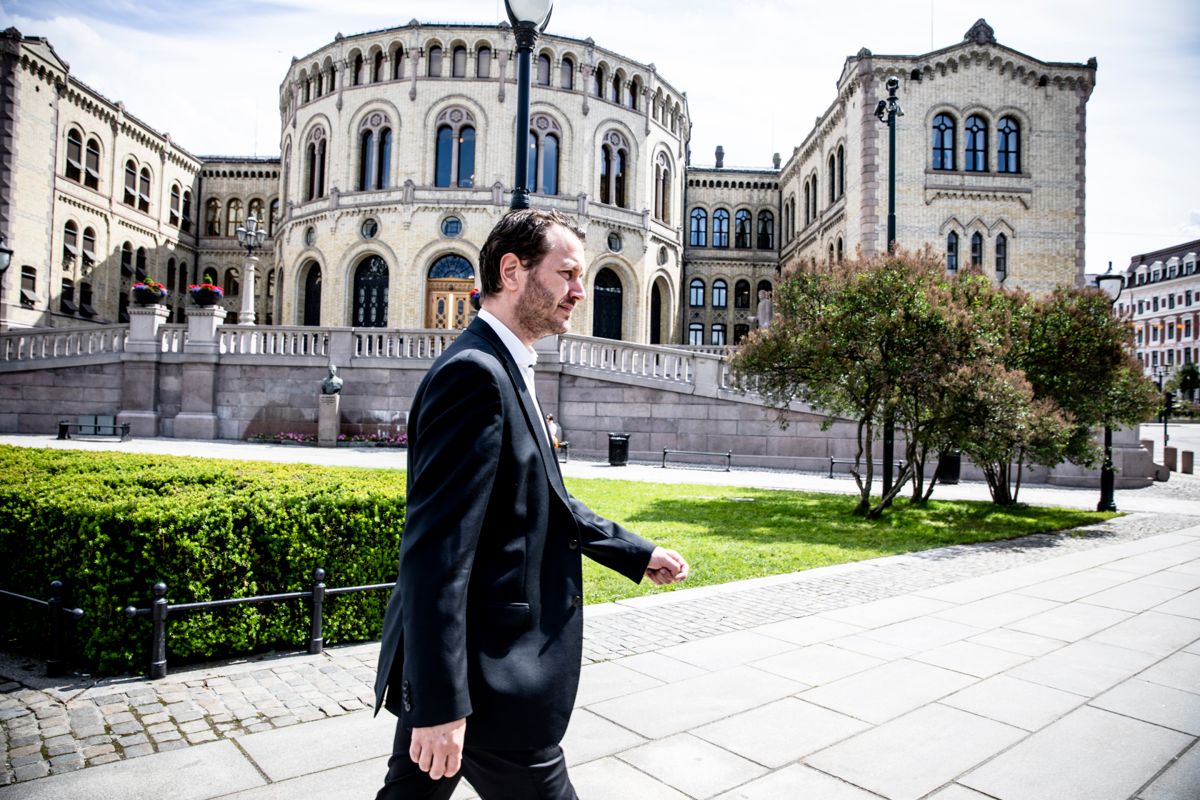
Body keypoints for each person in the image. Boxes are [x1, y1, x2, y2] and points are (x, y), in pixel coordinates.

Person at [374, 209, 689, 799]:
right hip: (487, 675)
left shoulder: (505, 367)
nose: (579, 290)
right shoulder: (475, 375)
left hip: (472, 670)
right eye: (567, 273)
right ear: (512, 271)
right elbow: (435, 553)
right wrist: (441, 706)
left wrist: (635, 553)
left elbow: (546, 500)